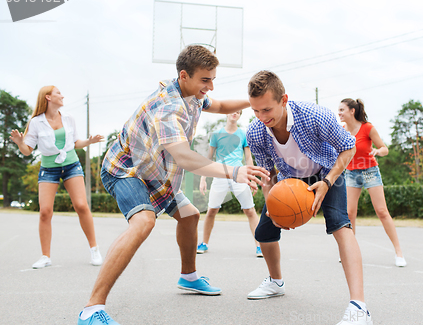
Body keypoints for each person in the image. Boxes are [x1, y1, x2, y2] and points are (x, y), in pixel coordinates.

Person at [76, 45, 270, 325]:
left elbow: (221, 106)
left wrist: (253, 103)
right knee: (143, 222)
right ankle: (91, 309)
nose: (210, 86)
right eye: (206, 80)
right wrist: (233, 171)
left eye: (213, 79)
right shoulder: (169, 107)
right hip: (127, 170)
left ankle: (188, 276)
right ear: (184, 75)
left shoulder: (192, 94)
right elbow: (184, 157)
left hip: (156, 175)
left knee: (190, 216)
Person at [245, 71, 373, 325]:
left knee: (341, 225)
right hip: (291, 179)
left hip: (327, 171)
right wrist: (272, 204)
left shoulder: (314, 116)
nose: (262, 117)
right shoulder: (256, 132)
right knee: (264, 232)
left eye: (267, 109)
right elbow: (268, 173)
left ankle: (359, 308)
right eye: (256, 111)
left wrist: (327, 182)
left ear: (284, 100)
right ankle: (275, 282)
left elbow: (349, 147)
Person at [10, 86, 103, 269]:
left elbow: (76, 143)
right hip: (49, 168)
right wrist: (21, 142)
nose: (62, 95)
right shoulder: (36, 122)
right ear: (48, 97)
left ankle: (94, 249)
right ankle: (45, 256)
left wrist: (89, 141)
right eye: (58, 93)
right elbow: (27, 151)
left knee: (82, 206)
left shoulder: (68, 118)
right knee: (45, 212)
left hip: (71, 165)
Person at [338, 98, 406, 267]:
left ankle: (399, 252)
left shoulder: (367, 128)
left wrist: (378, 151)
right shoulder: (343, 130)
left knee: (382, 211)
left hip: (370, 172)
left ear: (351, 111)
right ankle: (350, 252)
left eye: (341, 110)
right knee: (349, 213)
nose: (339, 113)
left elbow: (384, 148)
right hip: (351, 173)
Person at [198, 110, 262, 257]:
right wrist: (203, 178)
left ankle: (259, 246)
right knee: (211, 211)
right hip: (220, 175)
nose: (235, 113)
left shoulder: (243, 134)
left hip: (239, 175)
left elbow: (248, 158)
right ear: (227, 114)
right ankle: (204, 243)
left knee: (250, 211)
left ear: (239, 115)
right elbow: (208, 159)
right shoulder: (216, 135)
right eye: (232, 111)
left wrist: (251, 178)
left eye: (238, 112)